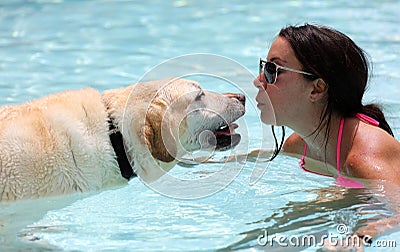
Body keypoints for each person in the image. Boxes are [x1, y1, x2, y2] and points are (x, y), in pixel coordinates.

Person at [253, 23, 400, 186]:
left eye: (272, 70)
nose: (258, 81)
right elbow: (252, 158)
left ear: (317, 89)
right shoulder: (301, 145)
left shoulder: (365, 160)